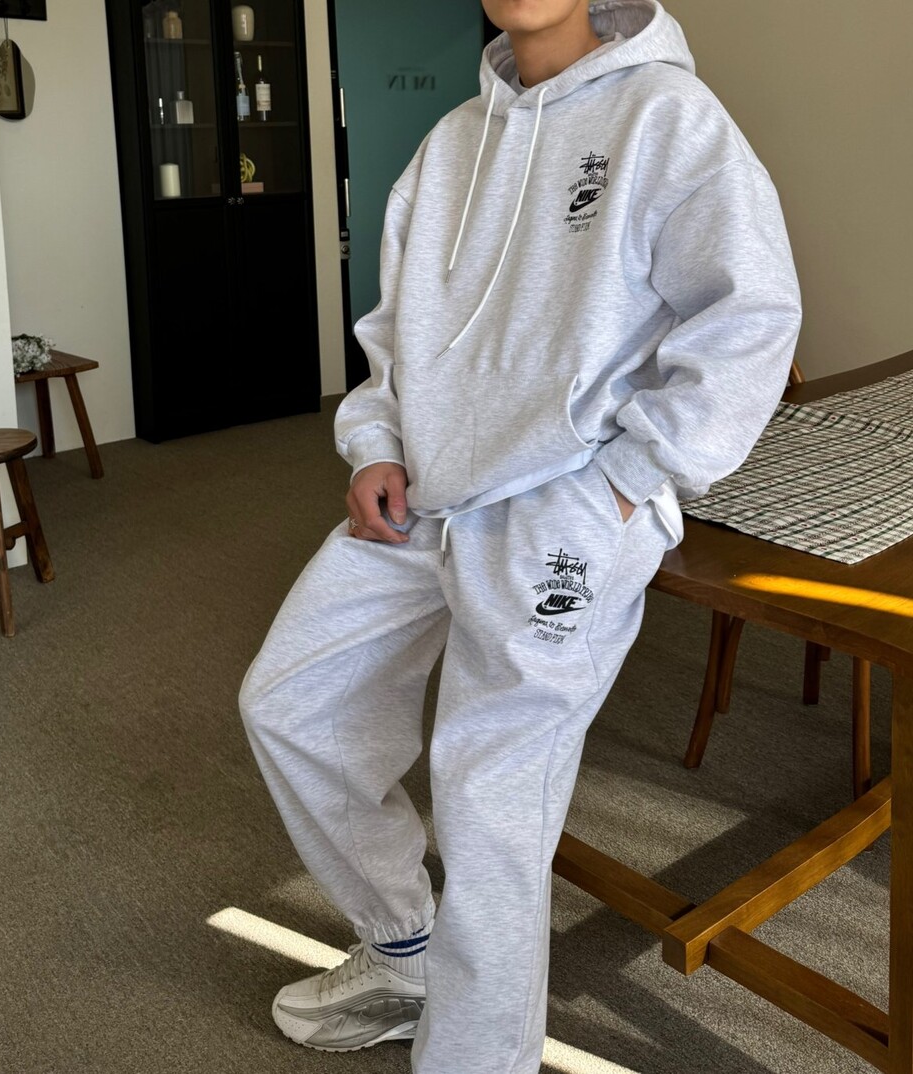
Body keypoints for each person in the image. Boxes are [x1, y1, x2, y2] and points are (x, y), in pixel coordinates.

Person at [238, 0, 802, 1071]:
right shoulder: (453, 141)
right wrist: (375, 445)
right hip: (423, 494)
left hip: (564, 509)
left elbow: (751, 317)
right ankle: (403, 950)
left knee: (488, 799)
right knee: (293, 703)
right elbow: (394, 335)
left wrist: (629, 479)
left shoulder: (667, 115)